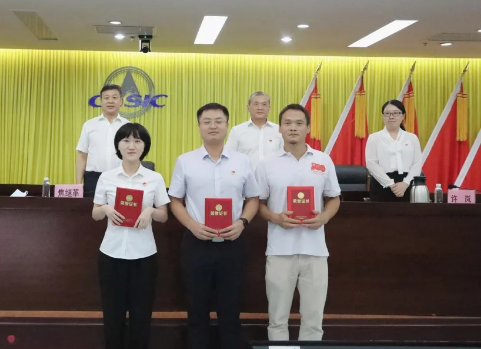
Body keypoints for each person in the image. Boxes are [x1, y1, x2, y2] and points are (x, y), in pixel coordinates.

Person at [168, 102, 260, 349]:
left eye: (218, 121)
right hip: (197, 245)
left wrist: (242, 222)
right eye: (207, 121)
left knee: (231, 311)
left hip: (232, 244)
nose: (213, 126)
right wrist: (192, 226)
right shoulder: (185, 161)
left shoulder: (242, 161)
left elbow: (253, 198)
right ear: (199, 126)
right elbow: (175, 200)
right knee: (196, 310)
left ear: (227, 125)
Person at [255, 104, 341, 341]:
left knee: (313, 322)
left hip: (315, 251)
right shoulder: (266, 164)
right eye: (288, 123)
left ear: (308, 128)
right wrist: (276, 218)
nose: (293, 128)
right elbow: (258, 203)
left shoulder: (323, 160)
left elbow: (334, 198)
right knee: (277, 320)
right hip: (279, 251)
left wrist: (323, 217)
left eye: (299, 123)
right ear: (280, 128)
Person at [92, 123, 170, 349]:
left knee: (141, 316)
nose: (131, 146)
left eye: (137, 141)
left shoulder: (155, 178)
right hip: (111, 254)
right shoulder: (106, 177)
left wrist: (150, 211)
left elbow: (164, 216)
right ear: (118, 145)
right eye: (126, 140)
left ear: (145, 146)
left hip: (144, 256)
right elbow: (95, 214)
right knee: (112, 315)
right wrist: (105, 208)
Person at [77, 84, 130, 197]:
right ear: (101, 101)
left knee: (120, 208)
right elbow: (82, 155)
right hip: (93, 178)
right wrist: (77, 184)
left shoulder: (128, 126)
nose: (110, 101)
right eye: (106, 98)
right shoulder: (89, 125)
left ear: (121, 101)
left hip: (121, 177)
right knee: (90, 208)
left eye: (114, 97)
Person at [365, 100, 423, 202]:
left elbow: (417, 163)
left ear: (403, 115)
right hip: (381, 185)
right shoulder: (374, 138)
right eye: (387, 113)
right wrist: (390, 184)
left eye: (396, 113)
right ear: (383, 116)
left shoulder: (412, 138)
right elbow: (371, 164)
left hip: (407, 184)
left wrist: (406, 183)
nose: (391, 117)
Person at [226, 92, 283, 170]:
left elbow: (284, 157)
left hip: (273, 175)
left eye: (264, 104)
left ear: (269, 108)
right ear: (248, 108)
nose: (260, 108)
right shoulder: (237, 130)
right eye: (256, 104)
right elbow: (229, 156)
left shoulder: (279, 130)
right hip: (245, 176)